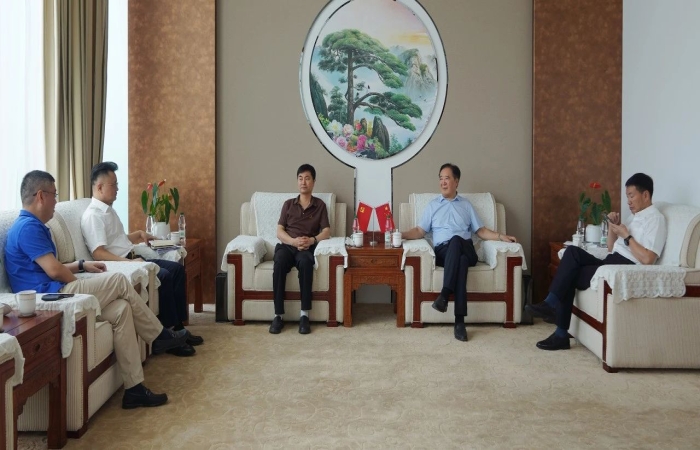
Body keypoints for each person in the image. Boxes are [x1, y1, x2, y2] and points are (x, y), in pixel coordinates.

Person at [4, 170, 188, 409]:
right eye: (54, 195)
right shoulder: (28, 227)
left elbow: (51, 266)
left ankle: (134, 389)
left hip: (55, 288)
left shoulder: (32, 226)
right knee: (118, 281)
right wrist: (78, 282)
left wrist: (82, 265)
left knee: (121, 309)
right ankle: (158, 335)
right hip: (52, 295)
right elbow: (54, 271)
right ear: (40, 196)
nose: (56, 202)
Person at [526, 173, 666, 350]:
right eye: (627, 197)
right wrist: (613, 228)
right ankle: (551, 306)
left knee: (570, 273)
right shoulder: (634, 217)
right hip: (610, 261)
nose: (628, 201)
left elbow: (648, 259)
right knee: (572, 252)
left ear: (645, 195)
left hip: (622, 267)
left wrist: (627, 236)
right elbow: (611, 249)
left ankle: (558, 327)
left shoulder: (656, 219)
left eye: (631, 196)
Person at [80, 162, 202, 357]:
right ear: (100, 187)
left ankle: (178, 328)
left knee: (177, 269)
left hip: (134, 256)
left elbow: (118, 241)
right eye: (114, 185)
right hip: (122, 264)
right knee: (165, 276)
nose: (117, 189)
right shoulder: (93, 216)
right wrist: (129, 263)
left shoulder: (108, 211)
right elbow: (99, 253)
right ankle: (169, 339)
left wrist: (138, 234)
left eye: (117, 184)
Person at [401, 163, 518, 341]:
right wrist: (401, 234)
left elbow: (481, 231)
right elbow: (419, 231)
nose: (443, 182)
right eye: (440, 178)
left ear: (456, 182)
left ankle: (444, 294)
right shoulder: (433, 206)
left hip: (466, 248)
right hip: (443, 253)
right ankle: (460, 322)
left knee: (457, 241)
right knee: (461, 262)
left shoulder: (466, 205)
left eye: (447, 178)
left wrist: (501, 236)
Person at [269, 164, 331, 335]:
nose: (303, 182)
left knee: (306, 263)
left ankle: (304, 315)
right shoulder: (288, 204)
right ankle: (278, 315)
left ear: (313, 182)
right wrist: (293, 241)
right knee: (279, 262)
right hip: (288, 246)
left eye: (307, 178)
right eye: (300, 178)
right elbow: (279, 231)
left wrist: (312, 240)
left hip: (306, 248)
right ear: (297, 181)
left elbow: (326, 231)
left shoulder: (320, 205)